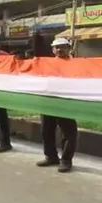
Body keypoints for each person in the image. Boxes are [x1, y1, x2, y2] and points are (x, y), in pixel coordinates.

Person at [35, 38, 78, 173]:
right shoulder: (47, 63)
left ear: (69, 48)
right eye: (57, 47)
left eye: (63, 47)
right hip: (48, 101)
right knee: (46, 131)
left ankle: (66, 160)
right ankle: (51, 157)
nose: (60, 50)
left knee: (68, 133)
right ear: (53, 50)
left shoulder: (77, 64)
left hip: (65, 102)